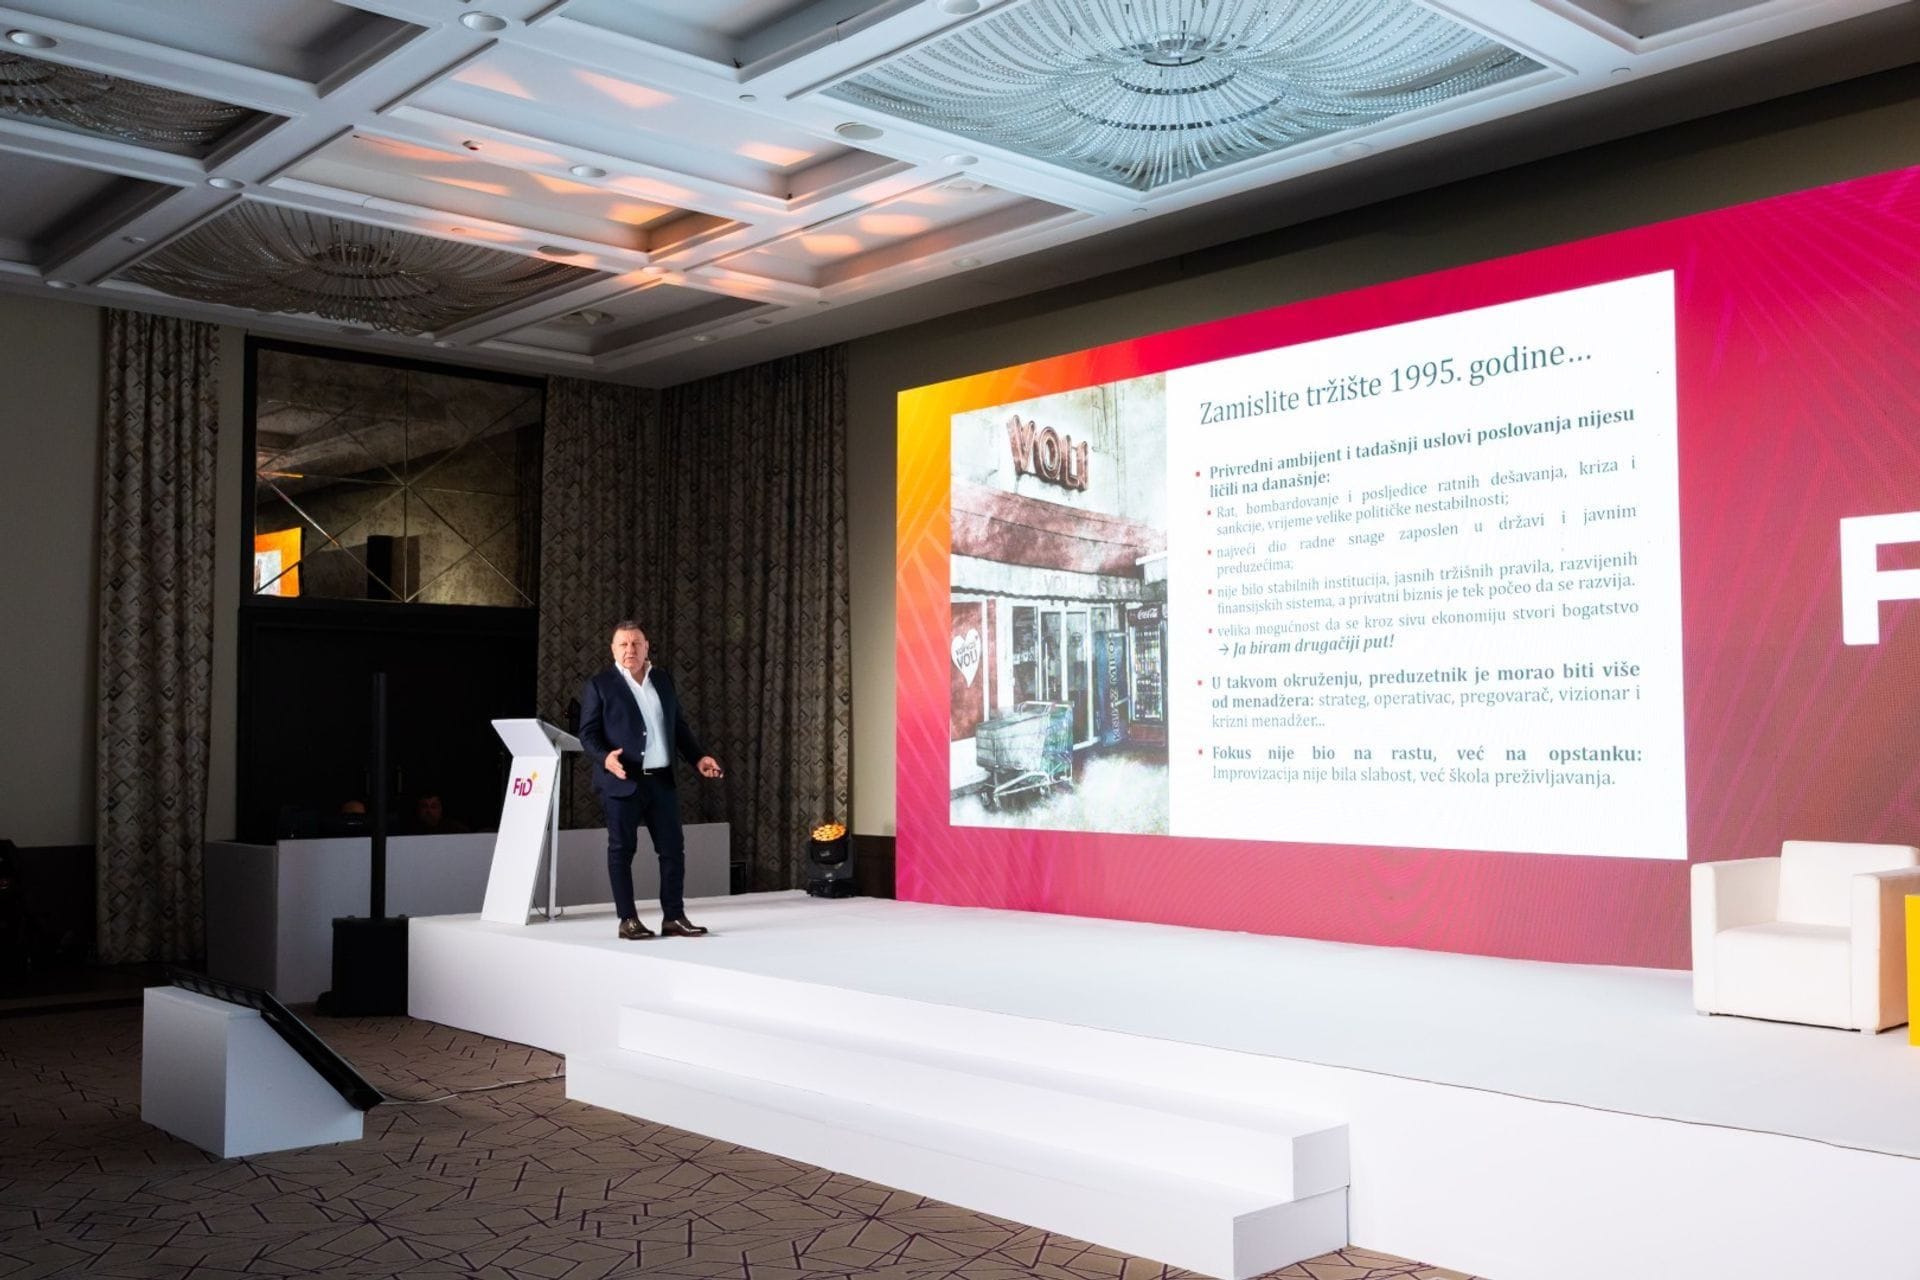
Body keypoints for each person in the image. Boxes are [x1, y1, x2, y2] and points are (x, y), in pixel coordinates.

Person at [577, 620, 723, 939]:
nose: (630, 649)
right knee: (622, 850)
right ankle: (627, 919)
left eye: (636, 643)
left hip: (661, 781)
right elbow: (587, 734)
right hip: (622, 781)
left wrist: (698, 757)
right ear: (613, 650)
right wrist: (605, 758)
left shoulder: (662, 680)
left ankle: (673, 917)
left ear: (647, 647)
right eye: (623, 644)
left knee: (672, 850)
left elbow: (678, 726)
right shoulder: (600, 685)